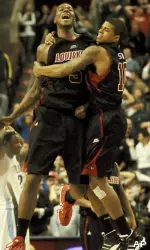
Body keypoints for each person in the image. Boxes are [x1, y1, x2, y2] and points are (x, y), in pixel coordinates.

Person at [33, 18, 145, 248]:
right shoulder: (116, 52)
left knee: (98, 180)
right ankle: (110, 232)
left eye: (106, 30)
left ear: (115, 37)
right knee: (90, 180)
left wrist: (39, 69)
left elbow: (66, 68)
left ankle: (126, 236)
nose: (100, 30)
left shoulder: (97, 51)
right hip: (102, 116)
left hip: (106, 120)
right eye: (101, 26)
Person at [0, 3, 95, 249]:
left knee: (80, 187)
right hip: (48, 116)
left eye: (70, 8)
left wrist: (91, 106)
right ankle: (20, 236)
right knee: (32, 177)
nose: (65, 9)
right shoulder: (45, 48)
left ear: (75, 17)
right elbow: (34, 89)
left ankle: (68, 196)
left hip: (77, 120)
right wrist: (14, 115)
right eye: (60, 8)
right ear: (53, 19)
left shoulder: (88, 44)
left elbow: (99, 84)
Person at [77, 163, 137, 250]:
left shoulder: (115, 165)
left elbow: (120, 192)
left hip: (114, 220)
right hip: (92, 219)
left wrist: (131, 215)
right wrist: (90, 204)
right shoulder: (86, 163)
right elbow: (72, 195)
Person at [0, 130, 30, 250]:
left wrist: (11, 129)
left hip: (19, 210)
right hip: (9, 209)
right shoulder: (4, 158)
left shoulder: (15, 157)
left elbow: (21, 142)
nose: (19, 144)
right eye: (14, 142)